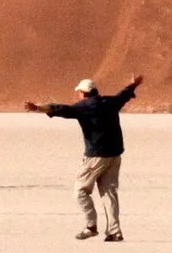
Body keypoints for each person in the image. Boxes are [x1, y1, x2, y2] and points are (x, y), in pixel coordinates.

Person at [25, 76, 141, 241]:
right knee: (109, 193)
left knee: (81, 191)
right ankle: (115, 232)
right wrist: (133, 84)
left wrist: (37, 108)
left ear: (83, 93)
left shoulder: (84, 107)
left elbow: (60, 109)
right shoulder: (110, 102)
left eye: (79, 92)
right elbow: (123, 95)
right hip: (115, 154)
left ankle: (91, 226)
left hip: (96, 156)